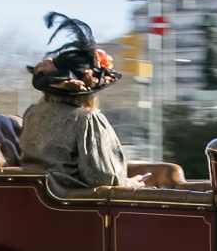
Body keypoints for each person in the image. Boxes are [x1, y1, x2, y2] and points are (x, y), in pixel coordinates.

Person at [19, 12, 147, 190]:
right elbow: (104, 178)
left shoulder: (31, 113)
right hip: (75, 204)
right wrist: (129, 183)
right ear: (89, 93)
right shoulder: (87, 120)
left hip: (31, 198)